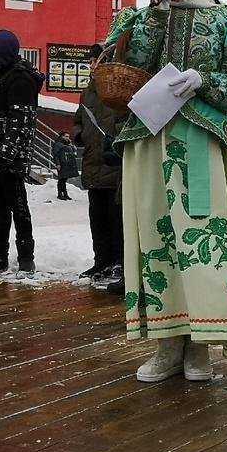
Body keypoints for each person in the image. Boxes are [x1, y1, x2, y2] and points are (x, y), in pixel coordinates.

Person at [103, 0, 227, 384]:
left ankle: (201, 345)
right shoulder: (138, 17)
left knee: (202, 238)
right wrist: (152, 17)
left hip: (201, 140)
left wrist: (204, 81)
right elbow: (115, 68)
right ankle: (165, 343)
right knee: (154, 237)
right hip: (149, 139)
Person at [0, 29, 44, 274]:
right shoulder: (1, 77)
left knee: (17, 205)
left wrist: (6, 153)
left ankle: (25, 257)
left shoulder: (19, 79)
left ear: (2, 51)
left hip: (9, 158)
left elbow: (21, 121)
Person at [73, 45, 127, 287]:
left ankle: (118, 260)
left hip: (112, 164)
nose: (93, 65)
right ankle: (101, 260)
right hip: (93, 163)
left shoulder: (116, 88)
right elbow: (78, 119)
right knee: (97, 217)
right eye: (91, 61)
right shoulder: (88, 92)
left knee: (116, 218)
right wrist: (78, 134)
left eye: (97, 60)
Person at [52, 131, 79, 201]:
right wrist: (57, 164)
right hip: (61, 164)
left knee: (64, 179)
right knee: (61, 179)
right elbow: (55, 155)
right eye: (66, 136)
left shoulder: (67, 144)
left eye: (68, 137)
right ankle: (60, 194)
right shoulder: (58, 144)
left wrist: (72, 146)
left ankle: (65, 194)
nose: (68, 138)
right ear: (62, 136)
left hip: (67, 164)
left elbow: (73, 152)